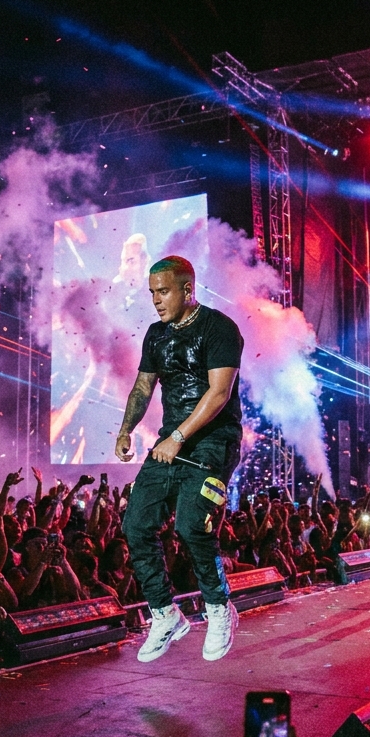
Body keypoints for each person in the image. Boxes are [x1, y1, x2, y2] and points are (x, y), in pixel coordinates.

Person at [116, 255, 244, 663]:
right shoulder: (156, 335)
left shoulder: (219, 328)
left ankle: (220, 608)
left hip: (212, 442)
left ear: (188, 290)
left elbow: (219, 393)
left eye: (164, 291)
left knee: (192, 525)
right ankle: (165, 613)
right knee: (135, 524)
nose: (156, 300)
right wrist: (125, 429)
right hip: (169, 442)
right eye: (152, 292)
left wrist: (178, 436)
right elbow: (142, 389)